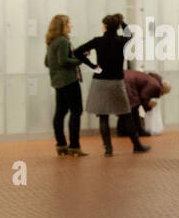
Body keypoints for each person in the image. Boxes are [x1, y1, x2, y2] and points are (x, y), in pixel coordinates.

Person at [75, 13, 146, 155]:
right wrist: (122, 22)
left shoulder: (98, 41)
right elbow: (129, 34)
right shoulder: (122, 41)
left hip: (100, 82)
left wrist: (93, 65)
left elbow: (77, 52)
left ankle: (108, 150)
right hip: (117, 82)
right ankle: (137, 145)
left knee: (103, 116)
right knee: (126, 114)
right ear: (117, 27)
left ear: (105, 26)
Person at [45, 14, 92, 156]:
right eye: (69, 23)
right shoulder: (63, 41)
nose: (71, 25)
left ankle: (61, 145)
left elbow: (47, 62)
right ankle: (74, 146)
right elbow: (64, 61)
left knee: (60, 112)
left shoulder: (52, 41)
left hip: (58, 82)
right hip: (69, 81)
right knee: (76, 111)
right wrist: (80, 59)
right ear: (63, 26)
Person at [123, 69, 169, 136]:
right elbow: (144, 97)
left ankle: (123, 130)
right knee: (134, 107)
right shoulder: (155, 86)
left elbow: (144, 94)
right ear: (162, 90)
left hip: (125, 78)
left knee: (126, 108)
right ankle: (140, 132)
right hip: (129, 83)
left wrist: (147, 104)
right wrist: (148, 106)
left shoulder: (153, 79)